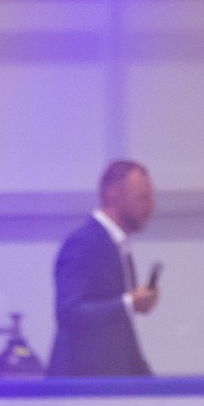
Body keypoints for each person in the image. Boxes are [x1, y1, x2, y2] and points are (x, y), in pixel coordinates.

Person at [48, 160, 160, 377]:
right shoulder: (84, 243)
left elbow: (121, 332)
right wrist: (129, 303)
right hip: (81, 388)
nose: (151, 205)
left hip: (108, 387)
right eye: (142, 197)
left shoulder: (117, 247)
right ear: (112, 195)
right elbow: (68, 312)